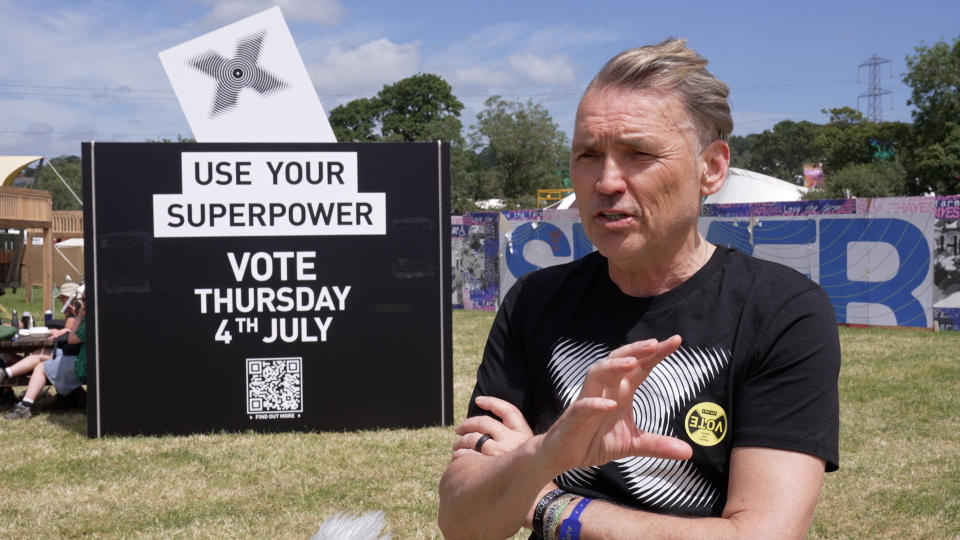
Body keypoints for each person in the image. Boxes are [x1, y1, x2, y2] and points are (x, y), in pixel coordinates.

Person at [438, 38, 840, 540]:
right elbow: (461, 522)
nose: (607, 181)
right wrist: (545, 453)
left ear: (711, 168)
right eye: (588, 154)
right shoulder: (535, 301)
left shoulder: (781, 311)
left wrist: (546, 502)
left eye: (638, 153)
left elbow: (762, 535)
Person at [1, 293, 86, 420]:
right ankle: (5, 373)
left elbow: (72, 339)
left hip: (83, 362)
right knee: (41, 352)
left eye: (83, 300)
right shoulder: (92, 317)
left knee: (41, 367)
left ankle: (23, 405)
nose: (82, 303)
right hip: (80, 355)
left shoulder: (92, 320)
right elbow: (73, 334)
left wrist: (78, 317)